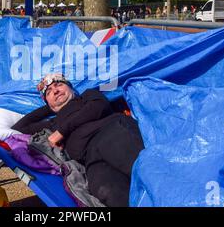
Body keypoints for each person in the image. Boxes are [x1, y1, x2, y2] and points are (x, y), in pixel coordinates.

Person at [11, 73, 145, 207]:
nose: (55, 90)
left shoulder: (86, 97)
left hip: (112, 133)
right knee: (108, 192)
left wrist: (61, 131)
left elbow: (98, 107)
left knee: (142, 171)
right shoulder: (53, 123)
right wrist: (51, 105)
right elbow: (19, 127)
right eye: (49, 92)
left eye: (59, 85)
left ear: (71, 88)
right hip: (90, 160)